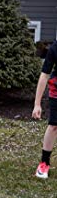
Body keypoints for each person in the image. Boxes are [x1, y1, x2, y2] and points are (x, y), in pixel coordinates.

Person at [32, 40, 57, 179]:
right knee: (54, 126)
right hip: (56, 90)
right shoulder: (55, 48)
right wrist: (37, 104)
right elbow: (44, 74)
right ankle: (44, 163)